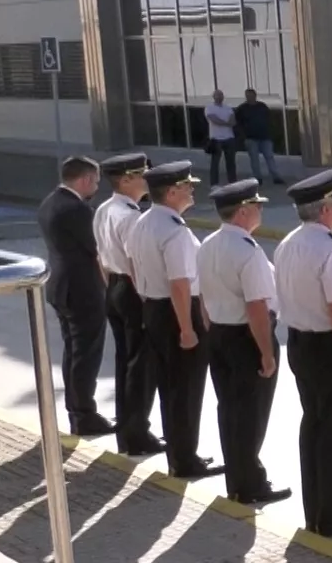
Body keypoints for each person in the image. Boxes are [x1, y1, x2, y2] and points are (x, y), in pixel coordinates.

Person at [273, 170, 332, 537]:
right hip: (330, 346)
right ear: (326, 208)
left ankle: (314, 509)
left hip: (300, 342)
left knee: (314, 425)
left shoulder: (287, 244)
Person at [196, 179, 289, 504]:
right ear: (243, 211)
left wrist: (211, 327)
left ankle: (237, 481)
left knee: (229, 411)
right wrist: (266, 353)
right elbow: (257, 308)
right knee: (251, 414)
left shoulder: (207, 244)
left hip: (219, 333)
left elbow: (203, 296)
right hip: (246, 337)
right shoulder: (248, 251)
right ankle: (250, 484)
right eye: (256, 205)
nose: (261, 209)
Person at [124, 161, 218, 478]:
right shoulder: (175, 231)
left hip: (155, 307)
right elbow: (179, 284)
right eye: (187, 186)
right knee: (186, 389)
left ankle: (179, 455)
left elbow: (132, 266)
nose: (192, 191)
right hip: (178, 311)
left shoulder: (142, 223)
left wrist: (147, 298)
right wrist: (188, 329)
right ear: (172, 192)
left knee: (169, 387)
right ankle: (185, 459)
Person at [38, 156, 112, 437]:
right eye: (95, 181)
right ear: (85, 179)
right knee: (86, 355)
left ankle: (77, 410)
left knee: (74, 352)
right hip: (82, 291)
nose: (96, 187)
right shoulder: (77, 210)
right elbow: (97, 249)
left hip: (61, 287)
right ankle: (84, 414)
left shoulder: (50, 202)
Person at [94, 153, 160, 455]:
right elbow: (137, 263)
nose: (148, 179)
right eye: (142, 174)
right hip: (134, 290)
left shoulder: (104, 209)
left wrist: (113, 289)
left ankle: (127, 429)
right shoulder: (132, 217)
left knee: (125, 363)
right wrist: (145, 299)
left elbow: (100, 257)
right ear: (126, 180)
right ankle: (137, 434)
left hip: (115, 287)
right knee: (141, 367)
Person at [236, 88, 284, 185]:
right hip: (251, 138)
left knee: (269, 157)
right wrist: (243, 135)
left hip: (265, 136)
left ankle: (276, 177)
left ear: (255, 95)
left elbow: (269, 119)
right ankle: (257, 178)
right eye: (247, 96)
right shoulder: (242, 108)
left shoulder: (262, 106)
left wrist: (270, 131)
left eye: (251, 95)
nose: (249, 97)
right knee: (254, 159)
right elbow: (237, 123)